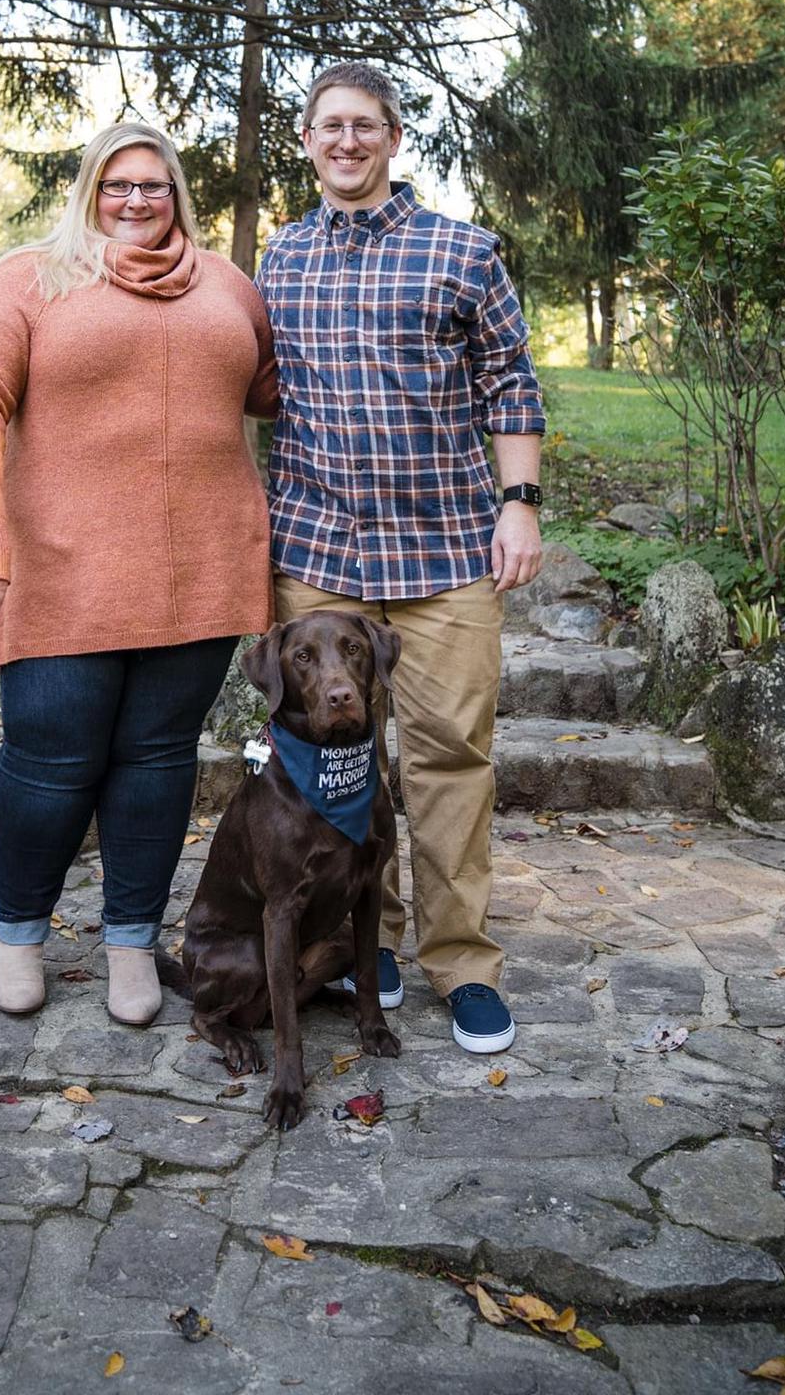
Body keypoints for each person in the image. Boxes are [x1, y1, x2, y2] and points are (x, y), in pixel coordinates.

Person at [0, 121, 276, 1028]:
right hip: (60, 569)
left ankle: (131, 940)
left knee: (157, 763)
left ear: (178, 195)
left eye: (154, 185)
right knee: (51, 762)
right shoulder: (30, 279)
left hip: (200, 571)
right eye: (118, 184)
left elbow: (281, 392)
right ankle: (19, 937)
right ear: (91, 190)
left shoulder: (230, 288)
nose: (136, 199)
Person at [257, 62, 545, 1055]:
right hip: (318, 554)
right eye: (329, 126)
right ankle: (360, 938)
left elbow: (512, 382)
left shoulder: (461, 252)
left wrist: (519, 505)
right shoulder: (277, 260)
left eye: (365, 125)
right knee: (333, 766)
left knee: (449, 759)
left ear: (391, 138)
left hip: (444, 556)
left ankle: (460, 959)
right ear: (306, 139)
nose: (347, 141)